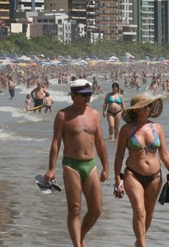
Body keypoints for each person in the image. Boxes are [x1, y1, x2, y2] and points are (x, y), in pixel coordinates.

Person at [44, 79, 108, 247]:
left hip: (91, 164)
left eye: (89, 94)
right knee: (75, 209)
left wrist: (106, 167)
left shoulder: (94, 115)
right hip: (71, 165)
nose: (87, 97)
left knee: (96, 209)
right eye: (84, 95)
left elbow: (100, 142)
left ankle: (81, 235)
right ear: (73, 96)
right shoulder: (63, 115)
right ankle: (77, 245)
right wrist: (51, 168)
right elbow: (56, 142)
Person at [113, 94, 169, 247]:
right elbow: (119, 155)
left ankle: (138, 243)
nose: (146, 109)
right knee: (139, 211)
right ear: (135, 110)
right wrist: (117, 178)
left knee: (148, 215)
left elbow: (165, 153)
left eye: (148, 106)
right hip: (132, 175)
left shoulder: (157, 128)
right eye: (143, 107)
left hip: (155, 177)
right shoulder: (126, 130)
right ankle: (142, 245)